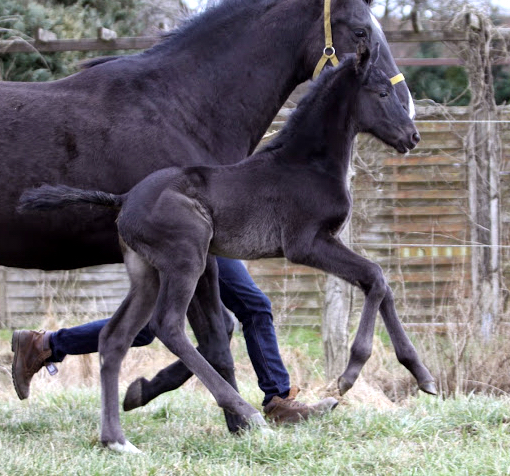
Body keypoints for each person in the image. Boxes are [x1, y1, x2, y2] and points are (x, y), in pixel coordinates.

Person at [12, 257, 338, 424]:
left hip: (195, 222)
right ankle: (278, 401)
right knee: (251, 308)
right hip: (187, 225)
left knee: (145, 328)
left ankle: (45, 344)